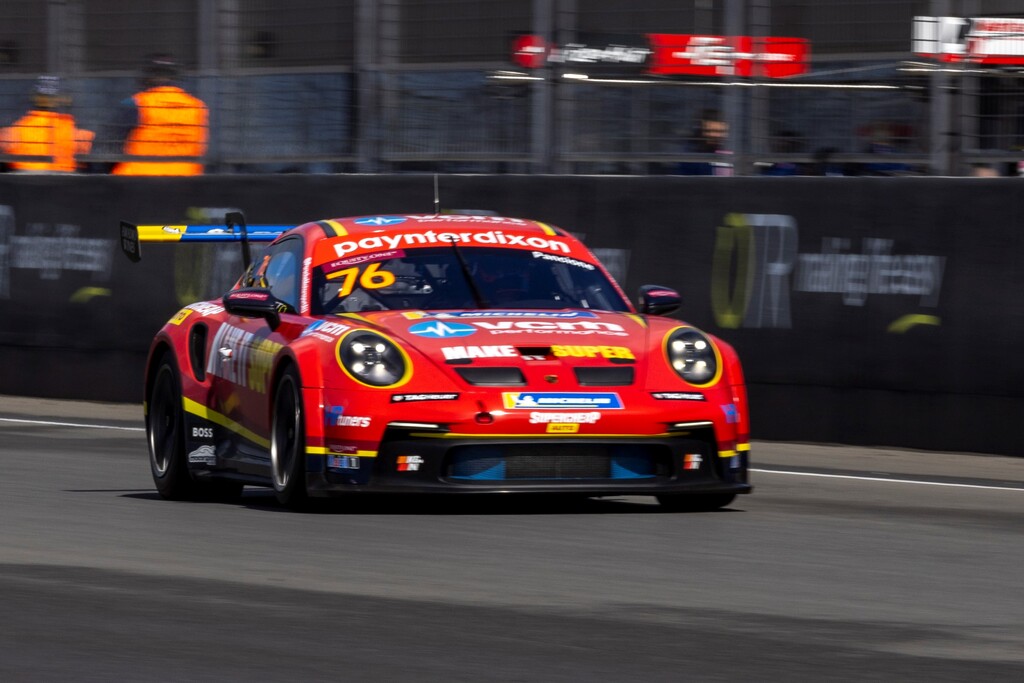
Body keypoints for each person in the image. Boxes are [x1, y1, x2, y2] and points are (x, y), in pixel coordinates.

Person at [109, 54, 208, 175]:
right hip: (186, 179)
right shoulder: (198, 106)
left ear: (147, 77)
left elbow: (110, 145)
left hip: (137, 180)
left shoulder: (135, 103)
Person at [0, 76, 94, 173]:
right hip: (65, 182)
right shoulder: (76, 132)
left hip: (22, 182)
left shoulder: (14, 130)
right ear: (64, 99)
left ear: (35, 97)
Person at [677, 108, 732, 176]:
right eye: (713, 131)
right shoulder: (691, 155)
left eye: (722, 132)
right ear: (701, 131)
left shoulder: (727, 152)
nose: (718, 136)